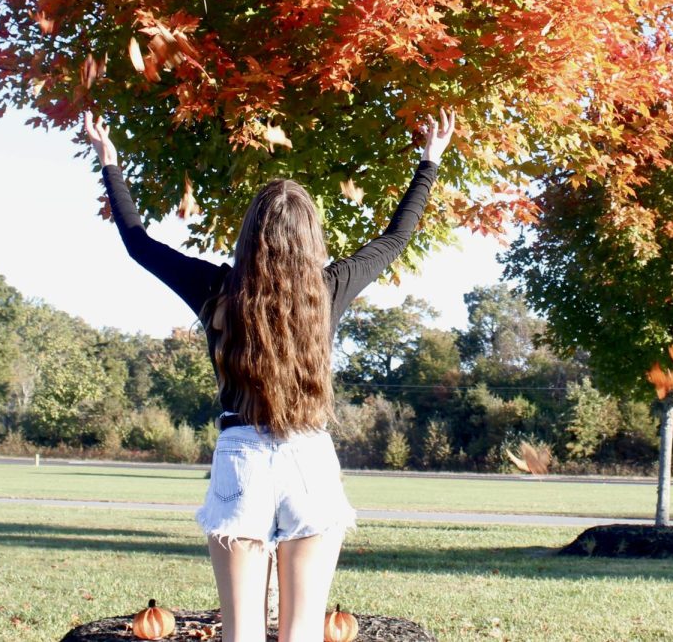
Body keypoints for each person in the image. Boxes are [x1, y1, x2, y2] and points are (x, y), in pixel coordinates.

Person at [82, 108, 455, 642]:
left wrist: (109, 160)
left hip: (241, 460)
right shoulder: (328, 288)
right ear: (310, 237)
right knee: (301, 633)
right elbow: (395, 239)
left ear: (248, 235)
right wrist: (429, 161)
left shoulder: (216, 288)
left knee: (242, 633)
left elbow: (139, 243)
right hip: (309, 458)